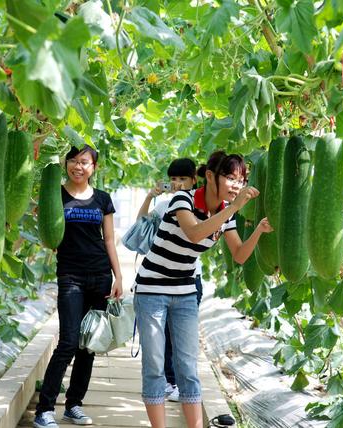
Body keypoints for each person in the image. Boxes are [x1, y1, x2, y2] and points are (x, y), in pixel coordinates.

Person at [133, 151, 273, 428]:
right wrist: (232, 208)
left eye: (241, 180)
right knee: (155, 365)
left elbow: (240, 256)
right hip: (151, 290)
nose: (237, 185)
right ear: (210, 176)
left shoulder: (226, 215)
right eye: (230, 178)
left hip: (184, 292)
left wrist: (257, 230)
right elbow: (195, 233)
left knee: (187, 367)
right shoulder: (182, 200)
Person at [34, 145, 123, 428]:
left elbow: (108, 240)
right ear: (65, 164)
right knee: (69, 342)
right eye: (72, 160)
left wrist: (118, 276)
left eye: (84, 161)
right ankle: (44, 409)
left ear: (93, 167)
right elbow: (47, 230)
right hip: (70, 275)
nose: (77, 166)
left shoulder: (103, 199)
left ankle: (74, 404)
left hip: (100, 275)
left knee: (88, 346)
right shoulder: (55, 194)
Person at [135, 158, 200, 402]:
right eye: (173, 179)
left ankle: (173, 383)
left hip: (189, 280)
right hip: (158, 280)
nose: (177, 184)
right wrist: (150, 197)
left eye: (182, 179)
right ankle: (166, 383)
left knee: (179, 342)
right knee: (158, 341)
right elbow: (140, 222)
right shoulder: (164, 205)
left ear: (194, 180)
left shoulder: (199, 204)